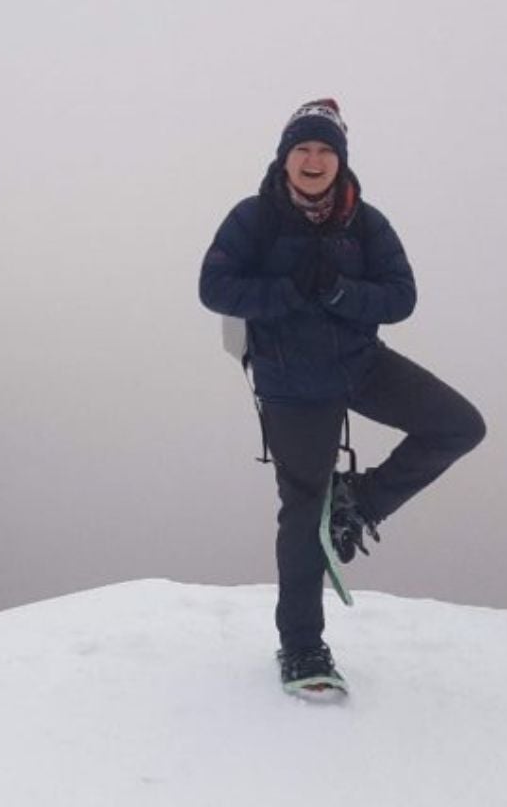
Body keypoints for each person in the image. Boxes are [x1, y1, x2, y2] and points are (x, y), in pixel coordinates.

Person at [198, 98, 486, 697]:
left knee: (459, 425)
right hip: (292, 386)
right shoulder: (254, 218)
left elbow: (401, 296)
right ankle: (302, 649)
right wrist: (285, 289)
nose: (313, 160)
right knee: (302, 512)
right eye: (303, 148)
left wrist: (337, 293)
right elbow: (214, 286)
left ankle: (357, 501)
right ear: (284, 158)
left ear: (341, 160)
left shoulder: (365, 222)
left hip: (358, 367)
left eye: (325, 150)